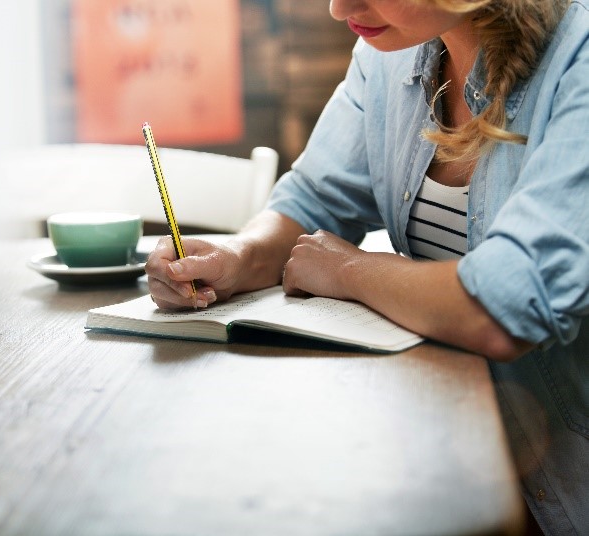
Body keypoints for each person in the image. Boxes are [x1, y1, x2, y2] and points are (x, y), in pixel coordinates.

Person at [145, 0, 588, 532]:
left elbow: (504, 308)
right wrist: (236, 257)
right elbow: (312, 201)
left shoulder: (578, 56)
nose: (338, 9)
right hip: (442, 448)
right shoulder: (389, 54)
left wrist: (352, 270)